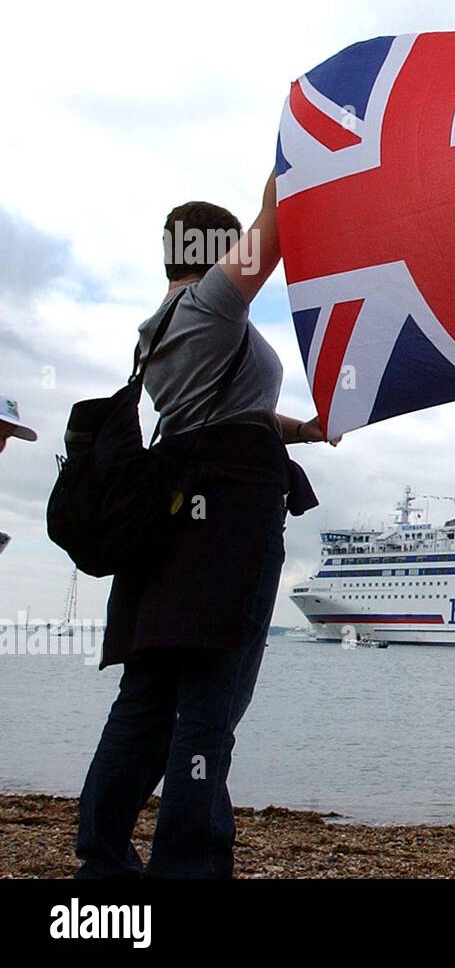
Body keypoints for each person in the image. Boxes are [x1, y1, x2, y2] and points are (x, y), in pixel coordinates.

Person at [75, 174, 338, 879]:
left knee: (147, 701)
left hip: (176, 518)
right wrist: (295, 156)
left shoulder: (158, 329)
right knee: (208, 709)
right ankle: (188, 869)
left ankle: (101, 862)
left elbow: (222, 410)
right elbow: (274, 226)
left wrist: (306, 432)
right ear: (216, 251)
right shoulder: (212, 306)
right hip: (230, 519)